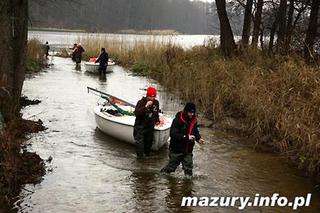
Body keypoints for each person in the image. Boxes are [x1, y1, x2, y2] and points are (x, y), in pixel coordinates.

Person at [160, 102, 205, 177]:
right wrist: (186, 137)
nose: (192, 114)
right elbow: (173, 134)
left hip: (188, 150)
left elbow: (195, 131)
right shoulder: (177, 120)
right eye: (190, 112)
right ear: (186, 111)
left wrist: (198, 139)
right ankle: (161, 175)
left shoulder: (194, 121)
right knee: (171, 168)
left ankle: (187, 185)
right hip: (176, 150)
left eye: (193, 113)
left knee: (188, 170)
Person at [134, 87, 160, 159]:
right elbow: (136, 113)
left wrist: (157, 120)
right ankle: (139, 163)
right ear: (147, 95)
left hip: (150, 128)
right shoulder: (141, 102)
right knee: (140, 147)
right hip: (140, 128)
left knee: (148, 147)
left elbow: (156, 113)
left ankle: (146, 163)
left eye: (153, 96)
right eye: (150, 96)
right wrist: (146, 106)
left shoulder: (156, 103)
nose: (152, 98)